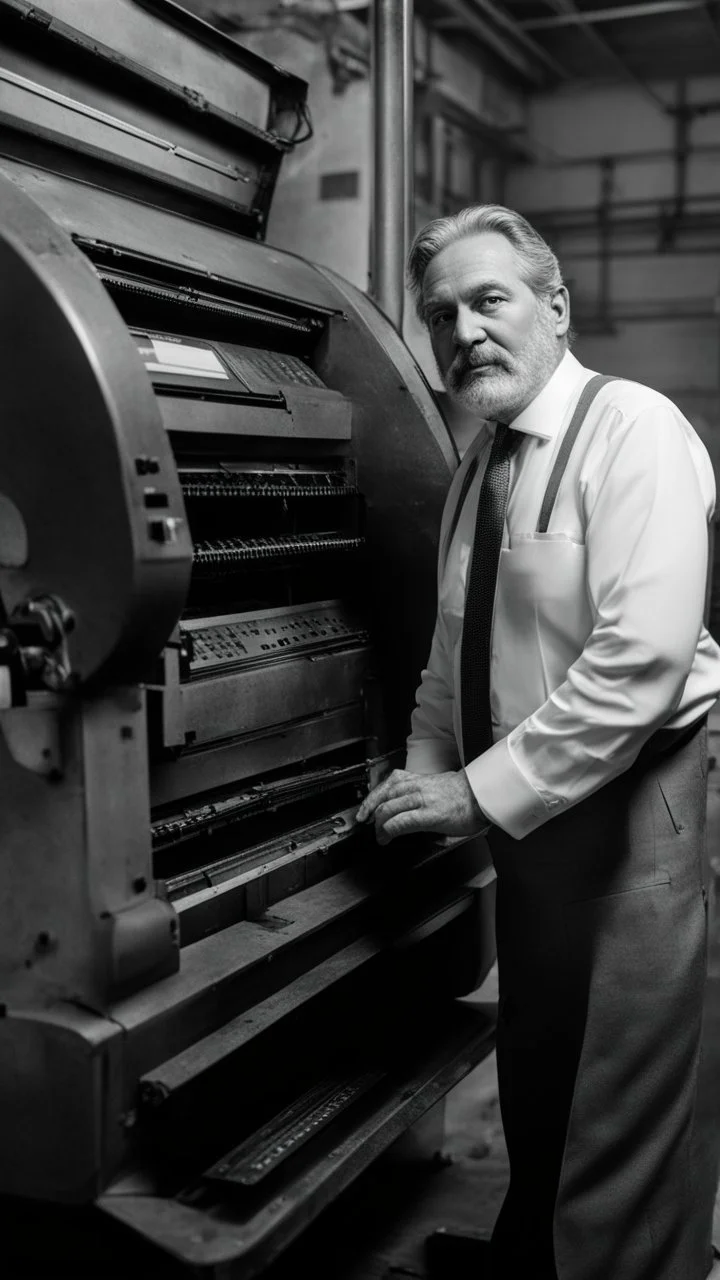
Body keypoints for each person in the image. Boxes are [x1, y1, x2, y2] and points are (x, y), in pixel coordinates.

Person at [356, 204, 720, 1280]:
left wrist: (471, 795)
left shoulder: (634, 428)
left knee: (624, 1107)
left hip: (634, 817)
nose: (463, 329)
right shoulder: (477, 472)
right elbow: (446, 658)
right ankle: (536, 1255)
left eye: (488, 299)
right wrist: (419, 782)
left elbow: (639, 665)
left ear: (555, 306)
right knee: (543, 1074)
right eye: (439, 314)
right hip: (532, 818)